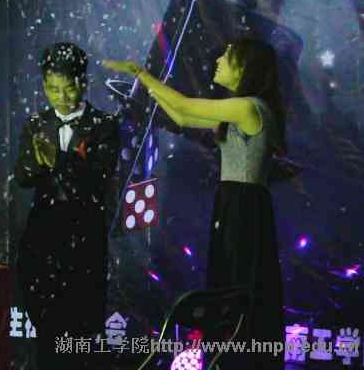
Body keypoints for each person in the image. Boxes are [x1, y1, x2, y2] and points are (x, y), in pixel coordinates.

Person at [103, 37, 286, 369]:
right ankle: (225, 358)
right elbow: (182, 117)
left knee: (240, 286)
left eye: (227, 56)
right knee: (229, 285)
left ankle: (241, 360)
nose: (219, 60)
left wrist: (141, 73)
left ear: (245, 67)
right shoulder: (239, 109)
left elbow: (184, 104)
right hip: (235, 203)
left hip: (243, 206)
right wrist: (148, 88)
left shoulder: (247, 107)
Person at [14, 42, 120, 370]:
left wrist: (56, 160)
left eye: (69, 88)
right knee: (45, 332)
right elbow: (23, 177)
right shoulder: (36, 123)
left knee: (80, 331)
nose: (61, 97)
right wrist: (37, 161)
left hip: (84, 241)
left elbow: (97, 181)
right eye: (52, 89)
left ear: (83, 82)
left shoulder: (104, 125)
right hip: (42, 240)